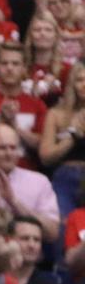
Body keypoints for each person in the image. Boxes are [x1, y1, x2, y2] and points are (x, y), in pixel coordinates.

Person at [39, 62, 85, 217]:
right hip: (66, 175)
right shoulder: (56, 114)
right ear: (72, 84)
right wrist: (73, 134)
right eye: (79, 80)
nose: (84, 85)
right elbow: (45, 157)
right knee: (61, 224)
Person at [25, 11, 69, 107]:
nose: (42, 33)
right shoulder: (20, 66)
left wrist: (55, 95)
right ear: (30, 36)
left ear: (56, 36)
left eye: (48, 30)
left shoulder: (67, 69)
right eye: (37, 30)